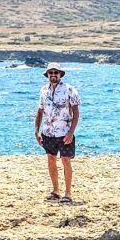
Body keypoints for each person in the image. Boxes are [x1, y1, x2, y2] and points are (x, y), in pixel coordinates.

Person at [34, 63, 80, 202]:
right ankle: (55, 191)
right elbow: (40, 111)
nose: (53, 74)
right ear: (47, 74)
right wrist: (36, 131)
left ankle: (68, 194)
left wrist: (71, 132)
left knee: (65, 160)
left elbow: (76, 112)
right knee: (51, 159)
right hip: (48, 132)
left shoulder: (70, 90)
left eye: (56, 72)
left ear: (60, 74)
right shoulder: (43, 91)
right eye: (50, 72)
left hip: (64, 132)